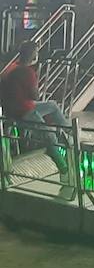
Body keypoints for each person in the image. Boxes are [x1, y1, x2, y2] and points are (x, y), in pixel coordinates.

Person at [0, 42, 70, 174]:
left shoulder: (11, 67)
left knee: (52, 105)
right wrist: (35, 82)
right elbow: (35, 96)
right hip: (24, 111)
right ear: (33, 55)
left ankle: (67, 131)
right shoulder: (27, 72)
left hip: (13, 107)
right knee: (49, 136)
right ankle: (63, 167)